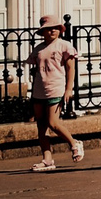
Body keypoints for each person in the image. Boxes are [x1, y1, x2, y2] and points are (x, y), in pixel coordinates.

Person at [27, 15, 85, 172]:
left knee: (53, 123)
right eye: (48, 28)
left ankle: (74, 143)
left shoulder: (64, 46)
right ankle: (47, 159)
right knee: (41, 126)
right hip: (39, 90)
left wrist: (68, 89)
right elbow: (36, 69)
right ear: (43, 31)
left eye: (55, 28)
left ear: (60, 30)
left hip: (56, 89)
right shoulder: (39, 49)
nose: (52, 30)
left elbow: (70, 68)